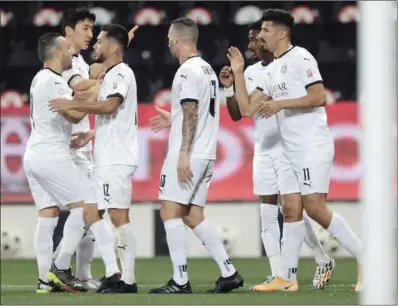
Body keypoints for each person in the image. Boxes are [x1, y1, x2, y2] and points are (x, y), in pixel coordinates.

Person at [232, 9, 363, 292]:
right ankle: (287, 277)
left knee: (314, 209)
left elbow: (318, 96)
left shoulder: (300, 57)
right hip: (290, 150)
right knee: (290, 209)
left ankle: (367, 259)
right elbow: (245, 109)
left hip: (311, 145)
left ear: (281, 33)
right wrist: (240, 73)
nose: (261, 35)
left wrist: (281, 104)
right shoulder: (272, 68)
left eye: (266, 30)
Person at [147, 17, 243, 294]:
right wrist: (173, 119)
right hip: (208, 152)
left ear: (177, 39)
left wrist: (183, 152)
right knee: (192, 214)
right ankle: (229, 272)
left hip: (192, 151)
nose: (167, 42)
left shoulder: (187, 71)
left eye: (169, 37)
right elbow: (194, 111)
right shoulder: (207, 70)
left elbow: (191, 111)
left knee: (169, 209)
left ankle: (180, 280)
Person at [49, 24, 139, 294]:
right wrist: (91, 133)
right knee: (91, 211)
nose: (95, 45)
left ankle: (128, 280)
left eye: (100, 41)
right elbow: (112, 116)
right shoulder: (111, 73)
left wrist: (73, 104)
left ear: (113, 48)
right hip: (105, 155)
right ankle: (113, 273)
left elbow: (111, 106)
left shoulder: (121, 72)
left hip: (117, 157)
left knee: (119, 215)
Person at [24, 32, 88, 293]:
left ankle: (44, 281)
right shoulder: (54, 81)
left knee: (48, 215)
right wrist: (96, 99)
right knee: (85, 206)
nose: (71, 52)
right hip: (51, 155)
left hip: (35, 154)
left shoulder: (39, 78)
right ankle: (60, 267)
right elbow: (74, 116)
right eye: (67, 48)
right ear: (57, 52)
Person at [49, 7, 100, 291]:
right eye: (85, 28)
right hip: (70, 147)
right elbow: (81, 89)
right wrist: (106, 76)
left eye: (92, 29)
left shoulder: (78, 59)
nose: (90, 34)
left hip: (81, 143)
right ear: (68, 30)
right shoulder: (64, 58)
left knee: (91, 211)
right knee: (86, 208)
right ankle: (59, 265)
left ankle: (77, 273)